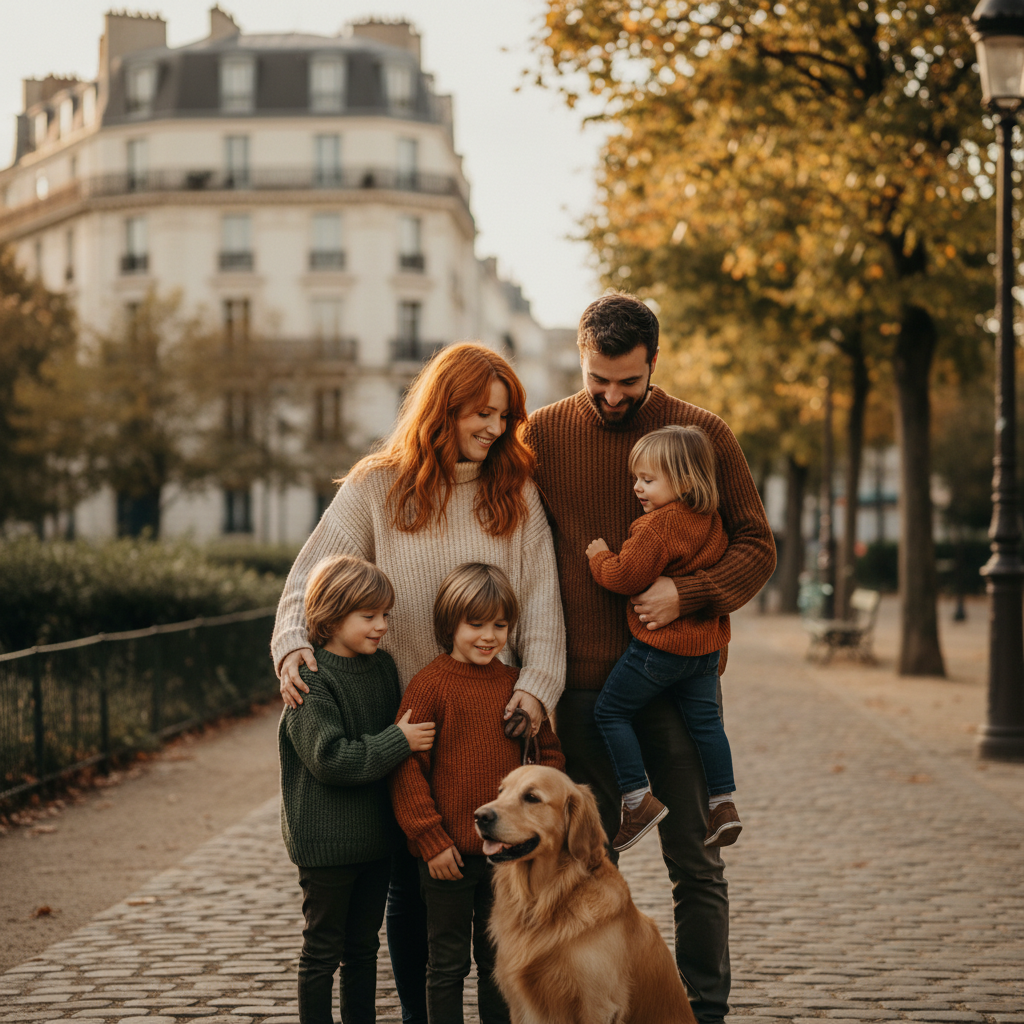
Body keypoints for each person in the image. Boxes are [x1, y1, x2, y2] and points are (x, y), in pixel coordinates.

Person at [272, 343, 565, 1024]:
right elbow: (308, 576)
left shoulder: (515, 493)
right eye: (480, 414)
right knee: (412, 883)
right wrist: (291, 644)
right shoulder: (378, 485)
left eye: (505, 416)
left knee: (490, 896)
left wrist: (538, 687)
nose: (495, 429)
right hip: (403, 723)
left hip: (490, 721)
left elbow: (544, 607)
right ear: (444, 408)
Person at [523, 293, 776, 1024]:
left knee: (696, 865)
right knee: (580, 874)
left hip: (673, 684)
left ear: (653, 364)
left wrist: (688, 591)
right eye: (597, 378)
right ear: (581, 358)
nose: (610, 395)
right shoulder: (542, 435)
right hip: (578, 693)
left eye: (627, 382)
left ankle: (705, 1010)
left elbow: (757, 546)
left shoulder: (702, 433)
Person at [389, 563, 564, 1024]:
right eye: (476, 624)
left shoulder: (516, 685)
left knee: (498, 965)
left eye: (500, 625)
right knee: (446, 965)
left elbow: (549, 761)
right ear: (451, 625)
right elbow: (407, 769)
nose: (489, 636)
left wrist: (532, 832)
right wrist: (431, 840)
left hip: (507, 860)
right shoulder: (429, 685)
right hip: (447, 857)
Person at [278, 554, 436, 1024]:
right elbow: (331, 759)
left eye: (384, 615)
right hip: (325, 846)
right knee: (323, 949)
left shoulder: (383, 668)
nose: (382, 626)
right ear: (330, 615)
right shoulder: (309, 680)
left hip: (376, 839)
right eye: (368, 616)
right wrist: (399, 741)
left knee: (364, 948)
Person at [586, 425, 741, 853]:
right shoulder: (711, 522)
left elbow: (625, 576)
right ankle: (724, 803)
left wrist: (599, 556)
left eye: (648, 480)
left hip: (660, 649)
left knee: (610, 712)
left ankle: (637, 800)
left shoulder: (655, 526)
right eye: (636, 477)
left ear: (685, 482)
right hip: (705, 651)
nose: (636, 487)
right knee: (708, 726)